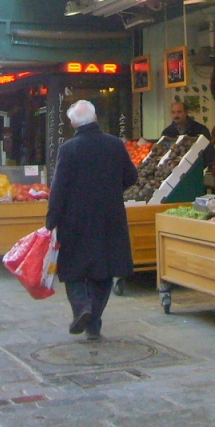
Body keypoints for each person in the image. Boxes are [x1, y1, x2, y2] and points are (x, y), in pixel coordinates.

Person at [45, 100, 138, 341]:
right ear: (95, 118)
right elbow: (131, 176)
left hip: (74, 219)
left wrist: (51, 220)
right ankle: (93, 323)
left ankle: (81, 307)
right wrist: (112, 189)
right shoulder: (115, 145)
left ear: (73, 123)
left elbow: (59, 188)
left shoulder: (68, 149)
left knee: (72, 269)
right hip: (109, 217)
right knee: (103, 270)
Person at [162, 101, 215, 170]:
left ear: (186, 112)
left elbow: (210, 153)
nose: (176, 115)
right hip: (173, 171)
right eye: (173, 112)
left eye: (179, 112)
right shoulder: (167, 133)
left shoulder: (200, 129)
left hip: (197, 170)